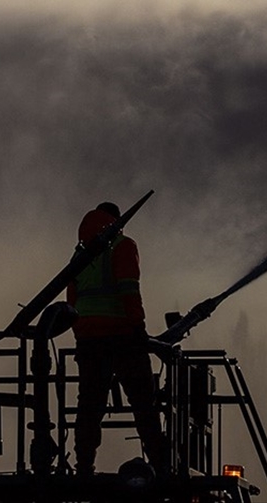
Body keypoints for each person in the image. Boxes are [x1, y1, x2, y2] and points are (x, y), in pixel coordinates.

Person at [67, 202, 170, 476]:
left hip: (88, 343)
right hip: (123, 338)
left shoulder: (81, 254)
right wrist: (139, 329)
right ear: (116, 222)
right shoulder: (122, 245)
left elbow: (71, 302)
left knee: (89, 408)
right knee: (143, 405)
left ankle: (84, 467)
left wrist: (83, 333)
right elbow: (129, 290)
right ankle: (162, 466)